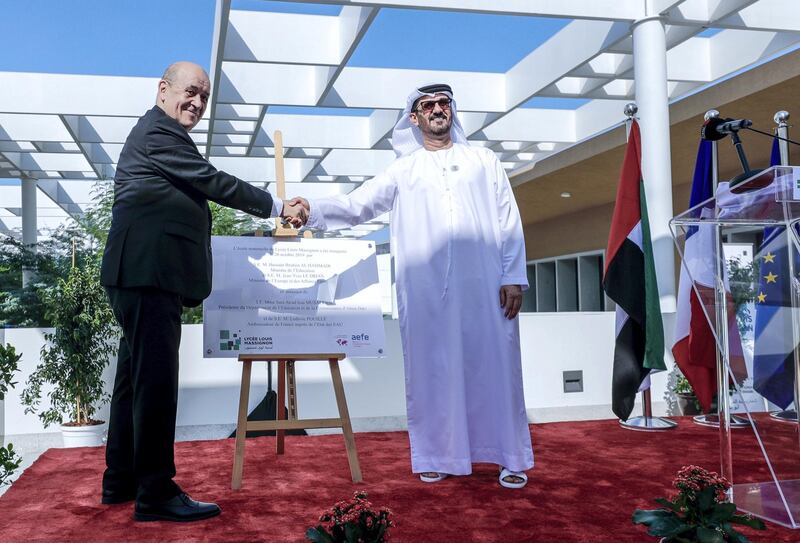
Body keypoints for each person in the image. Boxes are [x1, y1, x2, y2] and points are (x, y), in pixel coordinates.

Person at [294, 83, 533, 488]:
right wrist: (310, 209)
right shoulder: (404, 170)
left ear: (452, 112)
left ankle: (510, 457)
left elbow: (509, 221)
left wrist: (513, 276)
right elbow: (357, 206)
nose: (438, 110)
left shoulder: (484, 160)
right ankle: (438, 454)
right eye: (429, 105)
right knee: (432, 371)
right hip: (426, 295)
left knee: (496, 369)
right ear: (414, 117)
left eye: (444, 104)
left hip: (487, 289)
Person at [99, 61, 306, 522]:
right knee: (154, 384)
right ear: (162, 90)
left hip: (139, 273)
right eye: (189, 92)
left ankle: (121, 480)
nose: (196, 102)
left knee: (134, 382)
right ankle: (154, 492)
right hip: (147, 274)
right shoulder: (159, 133)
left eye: (204, 97)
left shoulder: (159, 134)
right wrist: (275, 206)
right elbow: (212, 181)